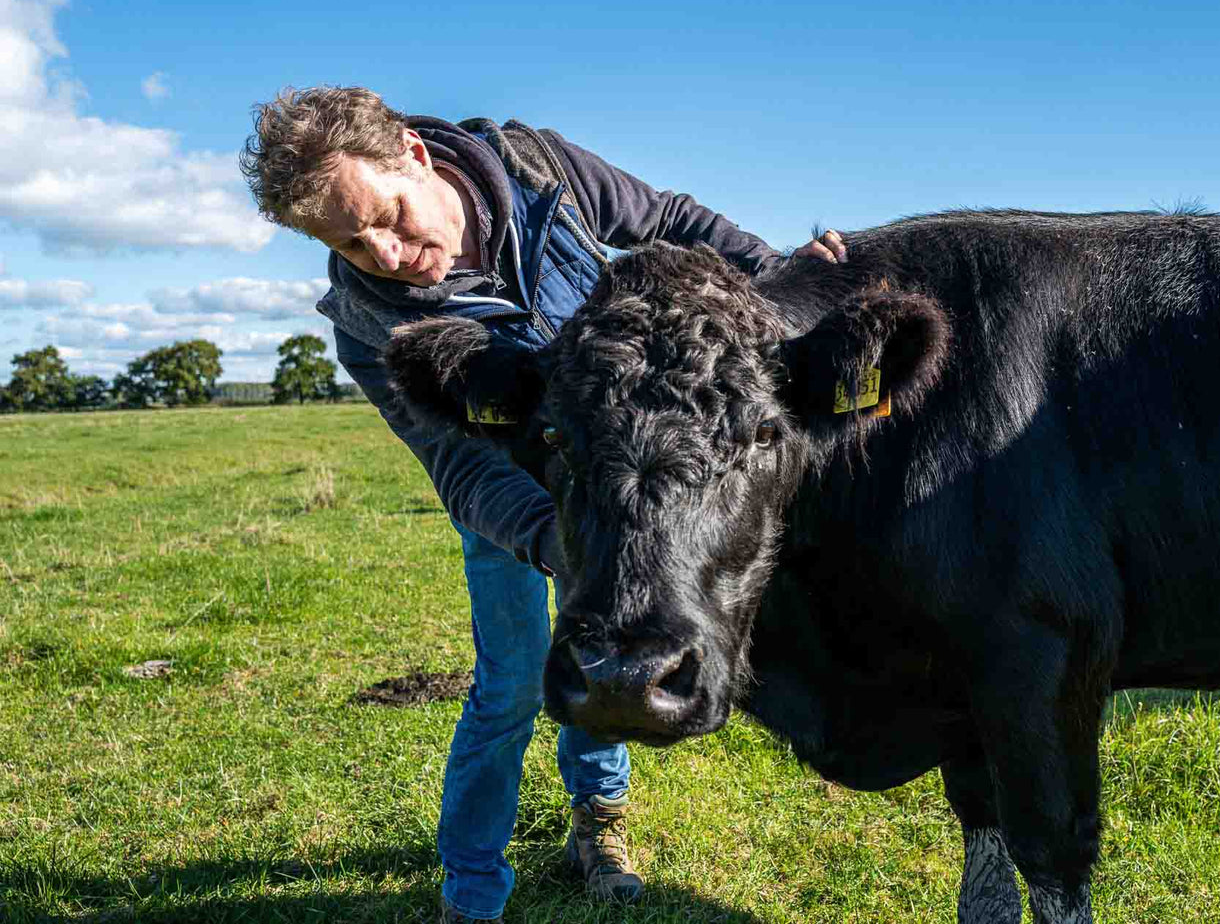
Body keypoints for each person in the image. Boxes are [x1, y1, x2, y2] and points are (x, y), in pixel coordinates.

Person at [239, 86, 844, 923]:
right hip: (520, 509)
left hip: (621, 476)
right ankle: (473, 887)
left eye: (388, 214)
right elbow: (456, 463)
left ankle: (598, 822)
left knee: (612, 647)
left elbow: (669, 216)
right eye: (347, 242)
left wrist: (775, 279)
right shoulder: (369, 327)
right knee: (514, 682)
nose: (384, 250)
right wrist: (557, 543)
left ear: (415, 156)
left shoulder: (535, 167)